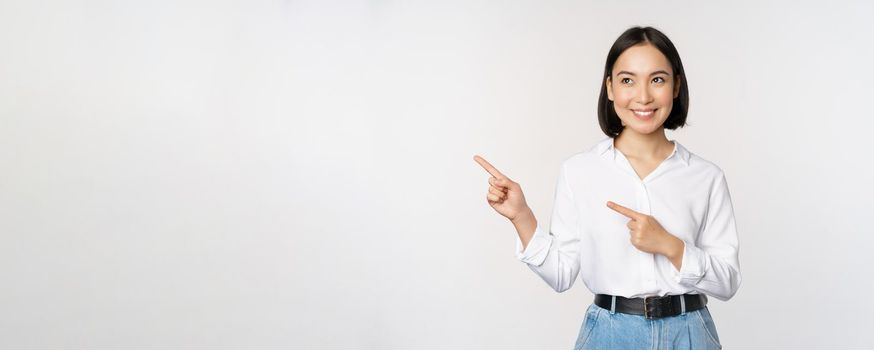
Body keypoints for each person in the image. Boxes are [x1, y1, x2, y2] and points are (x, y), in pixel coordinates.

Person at [473, 26, 740, 350]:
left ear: (676, 86)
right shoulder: (580, 171)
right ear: (610, 87)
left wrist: (672, 246)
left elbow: (727, 282)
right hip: (610, 335)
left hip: (689, 335)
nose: (643, 96)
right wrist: (522, 216)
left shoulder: (705, 177)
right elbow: (560, 274)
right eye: (628, 80)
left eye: (657, 79)